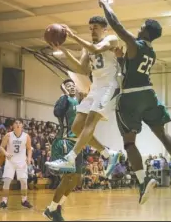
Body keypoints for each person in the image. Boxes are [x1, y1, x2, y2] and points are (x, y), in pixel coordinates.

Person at [99, 0, 171, 204]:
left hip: (132, 97)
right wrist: (120, 59)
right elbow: (132, 70)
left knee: (129, 143)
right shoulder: (150, 52)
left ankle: (143, 181)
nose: (138, 28)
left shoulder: (135, 44)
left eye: (142, 26)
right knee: (161, 132)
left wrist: (106, 6)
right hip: (148, 94)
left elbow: (117, 26)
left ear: (146, 32)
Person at [46, 16, 122, 174]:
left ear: (104, 29)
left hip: (109, 87)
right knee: (76, 127)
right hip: (95, 88)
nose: (92, 30)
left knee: (89, 124)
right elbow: (82, 69)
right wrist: (64, 50)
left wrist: (73, 36)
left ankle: (70, 158)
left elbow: (96, 49)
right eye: (90, 28)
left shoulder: (111, 39)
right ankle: (109, 154)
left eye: (95, 27)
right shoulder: (87, 47)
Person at [44, 78, 118, 221]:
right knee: (67, 178)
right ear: (64, 88)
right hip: (65, 141)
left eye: (73, 85)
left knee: (77, 179)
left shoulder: (80, 104)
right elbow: (57, 113)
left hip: (77, 144)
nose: (72, 87)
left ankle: (54, 208)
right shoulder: (64, 99)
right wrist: (65, 95)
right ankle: (53, 208)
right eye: (68, 86)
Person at [0, 118, 33, 209]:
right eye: (16, 123)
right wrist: (5, 153)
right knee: (7, 181)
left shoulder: (26, 136)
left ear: (22, 125)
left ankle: (24, 201)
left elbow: (29, 149)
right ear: (13, 126)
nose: (18, 124)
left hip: (21, 161)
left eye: (20, 123)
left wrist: (29, 158)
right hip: (10, 161)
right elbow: (1, 147)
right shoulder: (8, 135)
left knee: (24, 181)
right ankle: (4, 202)